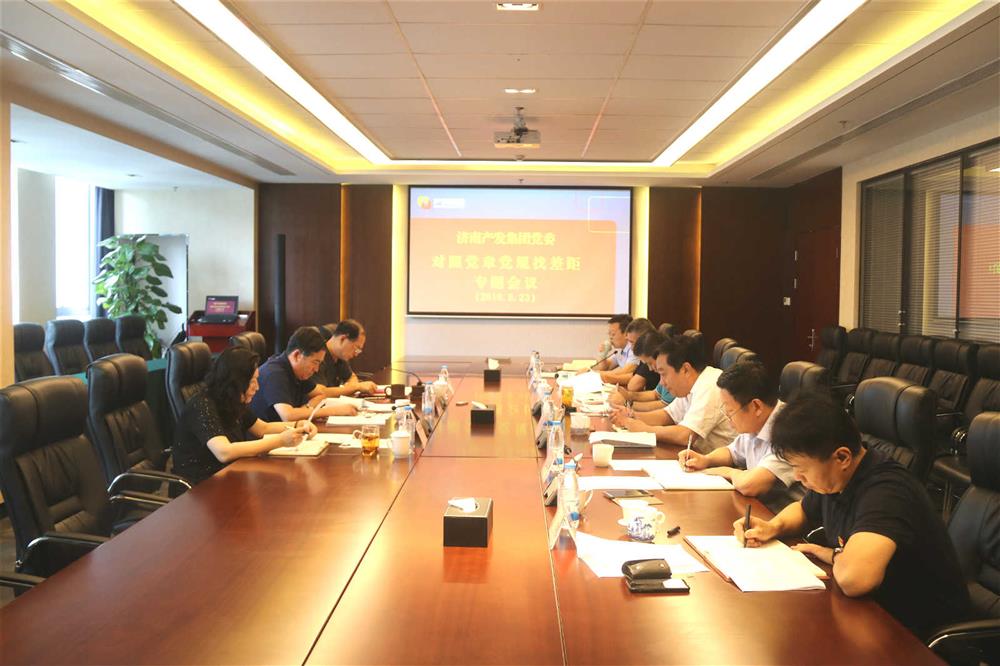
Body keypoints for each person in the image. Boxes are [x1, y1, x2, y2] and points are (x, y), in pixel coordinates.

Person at [734, 393, 970, 639]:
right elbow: (803, 509)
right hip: (871, 615)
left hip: (920, 635)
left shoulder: (887, 491)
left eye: (801, 469)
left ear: (842, 457)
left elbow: (855, 580)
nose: (797, 477)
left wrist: (833, 555)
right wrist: (772, 527)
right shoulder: (836, 477)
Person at [173, 346, 319, 484]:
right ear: (236, 382)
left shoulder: (232, 400)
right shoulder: (201, 404)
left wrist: (298, 424)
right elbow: (224, 452)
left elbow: (263, 428)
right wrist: (280, 441)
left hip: (230, 476)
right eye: (252, 381)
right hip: (200, 487)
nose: (257, 387)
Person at [678, 360, 801, 507]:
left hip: (780, 513)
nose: (727, 416)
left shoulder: (789, 429)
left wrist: (727, 472)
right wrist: (705, 459)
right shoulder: (756, 421)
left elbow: (750, 485)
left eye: (730, 410)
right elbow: (732, 452)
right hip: (760, 506)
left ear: (756, 406)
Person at [611, 334, 736, 451]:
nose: (661, 383)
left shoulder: (710, 385)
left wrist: (646, 430)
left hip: (718, 463)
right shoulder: (689, 386)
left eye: (664, 374)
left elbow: (686, 436)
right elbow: (667, 416)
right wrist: (631, 415)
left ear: (685, 369)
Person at [250, 326, 358, 422]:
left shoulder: (298, 372)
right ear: (297, 355)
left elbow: (321, 394)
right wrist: (333, 411)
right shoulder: (274, 373)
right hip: (267, 435)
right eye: (315, 362)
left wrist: (307, 408)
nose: (316, 369)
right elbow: (288, 416)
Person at [609, 330, 674, 412]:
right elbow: (655, 394)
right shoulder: (664, 373)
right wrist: (627, 395)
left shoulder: (673, 373)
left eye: (650, 363)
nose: (650, 369)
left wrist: (626, 403)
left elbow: (664, 407)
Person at [319, 319, 377, 396]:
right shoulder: (318, 355)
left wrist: (352, 387)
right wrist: (356, 387)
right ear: (343, 339)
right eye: (356, 348)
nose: (356, 354)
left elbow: (351, 377)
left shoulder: (339, 356)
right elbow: (319, 392)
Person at [600, 318, 655, 385]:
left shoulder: (641, 354)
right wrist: (602, 355)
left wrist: (599, 375)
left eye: (613, 334)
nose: (610, 338)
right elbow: (606, 367)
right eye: (609, 334)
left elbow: (630, 381)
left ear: (625, 334)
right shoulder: (620, 350)